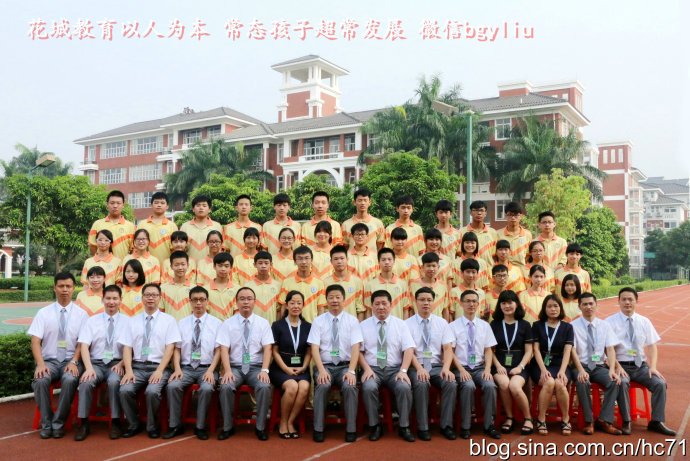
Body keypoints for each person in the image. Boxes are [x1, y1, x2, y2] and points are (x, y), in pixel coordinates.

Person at [607, 287, 676, 436]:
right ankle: (626, 421)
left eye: (630, 299)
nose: (627, 302)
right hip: (621, 366)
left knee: (660, 383)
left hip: (641, 367)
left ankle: (656, 422)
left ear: (636, 301)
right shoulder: (610, 322)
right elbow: (607, 349)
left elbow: (652, 346)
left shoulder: (644, 321)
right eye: (624, 299)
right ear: (618, 301)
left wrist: (653, 367)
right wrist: (616, 366)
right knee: (622, 382)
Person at [28, 272, 89, 439]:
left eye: (68, 286)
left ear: (74, 289)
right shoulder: (43, 313)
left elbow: (82, 343)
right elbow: (35, 341)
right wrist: (40, 364)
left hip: (71, 360)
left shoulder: (81, 314)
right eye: (61, 286)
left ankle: (58, 423)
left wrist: (74, 362)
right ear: (55, 288)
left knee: (70, 379)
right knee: (40, 380)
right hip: (49, 361)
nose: (65, 290)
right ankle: (47, 423)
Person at [119, 283, 180, 439]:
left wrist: (159, 370)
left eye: (154, 295)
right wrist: (129, 371)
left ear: (160, 298)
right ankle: (134, 424)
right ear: (142, 298)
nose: (150, 298)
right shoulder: (132, 321)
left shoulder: (169, 320)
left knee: (152, 392)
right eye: (147, 295)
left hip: (159, 367)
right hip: (137, 367)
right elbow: (127, 348)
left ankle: (152, 426)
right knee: (125, 390)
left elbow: (170, 348)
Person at [164, 286, 223, 440]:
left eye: (202, 299)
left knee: (207, 388)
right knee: (172, 386)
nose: (198, 303)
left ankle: (200, 426)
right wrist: (177, 368)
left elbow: (219, 350)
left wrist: (211, 370)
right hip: (186, 368)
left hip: (207, 368)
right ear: (189, 302)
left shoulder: (217, 323)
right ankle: (175, 425)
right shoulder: (181, 323)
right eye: (195, 300)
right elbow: (177, 349)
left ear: (207, 301)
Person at [216, 287, 275, 441]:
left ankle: (260, 427)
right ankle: (227, 427)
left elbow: (268, 348)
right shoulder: (228, 323)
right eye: (242, 299)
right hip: (235, 367)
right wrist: (227, 370)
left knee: (264, 386)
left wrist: (265, 370)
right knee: (226, 385)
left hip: (256, 368)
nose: (246, 302)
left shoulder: (263, 323)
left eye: (249, 299)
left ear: (255, 302)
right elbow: (224, 349)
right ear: (236, 302)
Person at [74, 285, 130, 440]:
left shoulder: (128, 322)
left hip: (116, 364)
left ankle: (116, 422)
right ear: (102, 299)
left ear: (120, 300)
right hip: (96, 364)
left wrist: (122, 364)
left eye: (115, 298)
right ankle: (84, 423)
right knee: (85, 382)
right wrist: (88, 368)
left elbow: (131, 348)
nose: (111, 302)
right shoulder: (92, 321)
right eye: (108, 298)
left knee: (114, 382)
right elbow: (84, 346)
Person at [359, 290, 416, 442]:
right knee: (369, 387)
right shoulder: (363, 325)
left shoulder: (401, 324)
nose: (381, 307)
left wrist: (403, 371)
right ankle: (375, 425)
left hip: (394, 370)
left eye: (384, 303)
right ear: (372, 306)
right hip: (372, 369)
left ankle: (404, 426)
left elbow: (409, 349)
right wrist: (366, 369)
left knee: (404, 387)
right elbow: (358, 352)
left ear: (391, 305)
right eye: (377, 304)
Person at [308, 284, 363, 443]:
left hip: (345, 366)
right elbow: (314, 348)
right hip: (325, 366)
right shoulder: (318, 321)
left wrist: (351, 371)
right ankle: (318, 428)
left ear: (344, 300)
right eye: (331, 297)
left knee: (350, 386)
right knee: (323, 384)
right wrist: (321, 370)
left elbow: (356, 348)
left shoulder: (352, 321)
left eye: (338, 297)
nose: (334, 300)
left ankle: (351, 428)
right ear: (326, 301)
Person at [406, 287, 457, 441]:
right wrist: (419, 368)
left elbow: (447, 349)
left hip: (436, 366)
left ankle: (446, 425)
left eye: (429, 300)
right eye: (422, 300)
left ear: (434, 302)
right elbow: (408, 351)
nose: (426, 303)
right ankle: (423, 427)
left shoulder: (442, 323)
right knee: (421, 383)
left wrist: (446, 368)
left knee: (451, 382)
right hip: (416, 366)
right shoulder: (407, 324)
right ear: (416, 302)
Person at [571, 292, 625, 436]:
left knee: (614, 381)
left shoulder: (604, 325)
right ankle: (589, 421)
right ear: (579, 307)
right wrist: (580, 370)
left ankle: (604, 420)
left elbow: (610, 349)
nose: (588, 307)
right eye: (585, 304)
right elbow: (572, 351)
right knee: (582, 381)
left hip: (599, 366)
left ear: (596, 305)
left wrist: (612, 369)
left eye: (591, 304)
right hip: (581, 365)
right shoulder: (573, 326)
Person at [450, 290, 501, 439]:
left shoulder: (485, 326)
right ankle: (465, 426)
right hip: (461, 368)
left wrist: (487, 369)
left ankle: (489, 425)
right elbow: (450, 352)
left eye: (474, 301)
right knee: (468, 386)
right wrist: (461, 370)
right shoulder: (453, 326)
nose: (471, 304)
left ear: (478, 304)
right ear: (461, 303)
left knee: (490, 385)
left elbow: (488, 350)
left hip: (479, 368)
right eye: (468, 301)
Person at [490, 290, 534, 436]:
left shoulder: (525, 325)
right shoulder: (494, 324)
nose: (507, 306)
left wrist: (520, 367)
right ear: (499, 305)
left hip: (520, 365)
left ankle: (528, 418)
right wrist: (498, 365)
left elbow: (529, 351)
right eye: (503, 303)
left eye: (510, 302)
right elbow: (490, 350)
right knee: (504, 383)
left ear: (516, 304)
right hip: (499, 364)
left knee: (514, 386)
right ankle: (509, 417)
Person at [270, 290, 312, 439]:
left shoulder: (308, 326)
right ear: (287, 305)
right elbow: (274, 351)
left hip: (301, 367)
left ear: (303, 305)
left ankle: (290, 421)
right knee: (292, 386)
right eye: (292, 303)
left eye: (299, 303)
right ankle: (283, 422)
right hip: (281, 367)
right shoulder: (277, 325)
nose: (296, 306)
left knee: (304, 387)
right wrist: (286, 369)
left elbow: (309, 351)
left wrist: (304, 367)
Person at [530, 294, 574, 436]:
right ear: (544, 309)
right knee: (548, 382)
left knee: (560, 383)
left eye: (556, 306)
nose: (553, 309)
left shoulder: (567, 327)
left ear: (560, 308)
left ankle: (566, 419)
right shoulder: (537, 325)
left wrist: (562, 370)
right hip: (540, 364)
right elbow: (536, 350)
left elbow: (567, 351)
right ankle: (541, 418)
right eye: (549, 306)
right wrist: (543, 370)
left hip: (560, 364)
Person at [278, 245, 326, 322]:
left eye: (306, 258)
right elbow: (284, 306)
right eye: (300, 259)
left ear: (312, 260)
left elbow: (320, 308)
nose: (303, 262)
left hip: (312, 326)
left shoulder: (319, 282)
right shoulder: (287, 282)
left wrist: (319, 326)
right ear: (295, 261)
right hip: (292, 325)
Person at [88, 190, 136, 260]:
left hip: (122, 266)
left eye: (118, 203)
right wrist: (100, 261)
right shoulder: (97, 224)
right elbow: (92, 246)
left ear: (123, 205)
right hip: (102, 266)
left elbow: (134, 249)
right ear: (107, 204)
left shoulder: (130, 226)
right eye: (112, 203)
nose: (115, 206)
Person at [363, 248, 410, 320]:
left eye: (389, 259)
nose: (387, 262)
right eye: (383, 260)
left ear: (394, 261)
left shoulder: (402, 284)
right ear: (378, 262)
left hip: (396, 325)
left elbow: (405, 310)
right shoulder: (370, 285)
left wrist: (403, 325)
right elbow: (368, 311)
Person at [323, 245, 365, 321]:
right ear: (331, 261)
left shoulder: (357, 281)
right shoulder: (325, 282)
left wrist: (358, 326)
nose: (339, 261)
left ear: (347, 259)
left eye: (342, 258)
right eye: (336, 259)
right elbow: (324, 308)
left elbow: (360, 309)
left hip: (351, 325)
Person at [136, 191, 178, 266]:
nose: (159, 205)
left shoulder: (172, 226)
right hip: (145, 267)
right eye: (156, 203)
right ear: (151, 205)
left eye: (162, 203)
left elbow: (174, 249)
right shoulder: (142, 224)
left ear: (167, 206)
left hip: (165, 267)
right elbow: (136, 247)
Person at [179, 194, 223, 263]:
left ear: (209, 209)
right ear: (193, 209)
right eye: (198, 205)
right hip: (190, 266)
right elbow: (181, 249)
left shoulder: (217, 226)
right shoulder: (185, 227)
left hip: (211, 265)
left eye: (204, 206)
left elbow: (222, 248)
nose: (201, 208)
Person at [409, 252, 450, 321]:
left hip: (437, 324)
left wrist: (446, 325)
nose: (431, 269)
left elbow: (445, 310)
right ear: (422, 267)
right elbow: (411, 309)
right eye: (428, 266)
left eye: (434, 266)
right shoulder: (413, 285)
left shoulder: (443, 285)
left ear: (438, 267)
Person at [245, 251, 283, 324]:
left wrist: (276, 326)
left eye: (266, 263)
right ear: (254, 265)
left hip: (271, 326)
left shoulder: (278, 285)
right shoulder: (248, 286)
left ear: (271, 264)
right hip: (253, 326)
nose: (263, 266)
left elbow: (278, 310)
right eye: (260, 263)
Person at [461, 200, 498, 268]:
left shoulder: (493, 233)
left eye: (481, 210)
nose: (479, 213)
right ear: (470, 213)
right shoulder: (461, 232)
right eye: (475, 210)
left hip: (487, 272)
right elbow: (458, 254)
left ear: (486, 213)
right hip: (468, 271)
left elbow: (496, 256)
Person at [160, 251, 193, 322]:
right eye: (176, 265)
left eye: (183, 264)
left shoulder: (194, 288)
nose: (180, 268)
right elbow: (161, 312)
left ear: (188, 265)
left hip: (187, 327)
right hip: (169, 327)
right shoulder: (163, 288)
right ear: (171, 266)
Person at [205, 252, 238, 321]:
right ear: (214, 266)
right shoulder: (205, 289)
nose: (223, 269)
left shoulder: (237, 289)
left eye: (226, 266)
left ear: (231, 267)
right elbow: (204, 312)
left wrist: (229, 324)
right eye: (220, 266)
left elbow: (238, 311)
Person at [498, 202, 532, 268]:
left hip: (521, 270)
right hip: (503, 270)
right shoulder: (498, 234)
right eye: (510, 215)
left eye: (516, 215)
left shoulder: (527, 234)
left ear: (521, 216)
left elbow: (528, 255)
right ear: (505, 216)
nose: (513, 218)